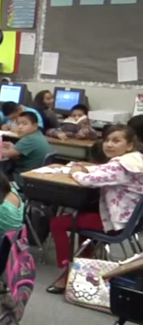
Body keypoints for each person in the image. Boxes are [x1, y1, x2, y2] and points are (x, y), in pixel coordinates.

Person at [47, 125, 143, 293]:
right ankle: (83, 266)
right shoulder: (134, 160)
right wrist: (85, 168)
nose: (109, 144)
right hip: (132, 221)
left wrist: (75, 172)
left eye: (116, 141)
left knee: (58, 223)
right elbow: (103, 170)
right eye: (106, 140)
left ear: (129, 145)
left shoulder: (120, 166)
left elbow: (88, 181)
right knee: (82, 221)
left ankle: (67, 270)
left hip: (117, 222)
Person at [3, 111, 53, 185]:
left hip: (22, 179)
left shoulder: (29, 139)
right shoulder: (38, 135)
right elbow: (20, 151)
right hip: (35, 178)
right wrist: (14, 147)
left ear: (35, 126)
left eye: (24, 124)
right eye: (18, 124)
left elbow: (5, 155)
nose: (20, 127)